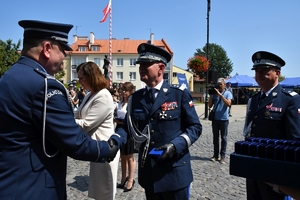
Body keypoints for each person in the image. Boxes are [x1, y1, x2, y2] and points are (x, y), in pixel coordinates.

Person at [0, 20, 124, 200]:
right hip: (34, 187)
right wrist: (110, 147)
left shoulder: (9, 76)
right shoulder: (44, 86)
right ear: (47, 48)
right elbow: (74, 142)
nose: (65, 57)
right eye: (63, 50)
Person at [115, 43, 202, 200]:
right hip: (150, 173)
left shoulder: (179, 95)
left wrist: (175, 146)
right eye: (140, 64)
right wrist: (114, 141)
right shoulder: (136, 98)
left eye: (147, 64)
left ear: (161, 68)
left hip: (174, 172)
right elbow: (127, 128)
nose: (141, 68)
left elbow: (195, 127)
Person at [244, 51, 300, 200]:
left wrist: (288, 177)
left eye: (264, 71)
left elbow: (294, 141)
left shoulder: (289, 100)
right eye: (257, 71)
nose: (259, 74)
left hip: (276, 174)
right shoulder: (254, 100)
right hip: (254, 170)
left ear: (277, 73)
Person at [74, 61, 120, 200]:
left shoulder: (103, 96)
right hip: (95, 147)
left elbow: (87, 124)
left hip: (105, 148)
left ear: (91, 77)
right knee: (98, 191)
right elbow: (78, 114)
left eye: (81, 78)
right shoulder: (90, 94)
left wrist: (64, 122)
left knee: (105, 191)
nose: (79, 81)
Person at [115, 82, 137, 192]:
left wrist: (122, 121)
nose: (124, 92)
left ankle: (131, 179)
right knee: (122, 156)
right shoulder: (120, 102)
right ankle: (123, 178)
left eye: (126, 90)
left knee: (129, 156)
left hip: (128, 130)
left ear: (130, 91)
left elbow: (133, 119)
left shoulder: (132, 103)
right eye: (123, 89)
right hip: (119, 129)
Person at [208, 78, 232, 164]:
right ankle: (215, 155)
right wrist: (211, 95)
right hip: (215, 119)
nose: (219, 86)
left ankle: (223, 156)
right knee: (215, 138)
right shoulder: (214, 94)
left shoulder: (228, 93)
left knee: (224, 138)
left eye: (221, 84)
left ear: (224, 85)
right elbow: (210, 106)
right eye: (218, 84)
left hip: (224, 119)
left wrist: (221, 95)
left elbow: (229, 104)